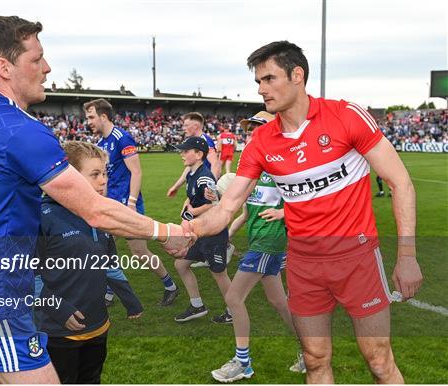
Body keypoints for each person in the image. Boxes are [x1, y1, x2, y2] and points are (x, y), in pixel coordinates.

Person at [0, 16, 192, 384]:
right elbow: (95, 209)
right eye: (36, 59)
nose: (47, 67)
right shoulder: (19, 128)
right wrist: (168, 231)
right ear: (3, 67)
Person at [180, 40, 422, 384]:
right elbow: (228, 206)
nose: (262, 89)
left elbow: (400, 183)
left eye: (269, 79)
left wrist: (408, 255)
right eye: (258, 82)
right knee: (315, 359)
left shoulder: (345, 116)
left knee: (379, 360)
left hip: (357, 259)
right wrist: (186, 233)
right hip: (304, 264)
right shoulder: (262, 142)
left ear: (297, 75)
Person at [35, 141, 143, 384]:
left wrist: (130, 299)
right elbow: (27, 275)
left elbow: (110, 264)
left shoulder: (102, 215)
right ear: (69, 177)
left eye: (105, 173)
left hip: (98, 325)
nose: (103, 180)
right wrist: (58, 309)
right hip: (58, 332)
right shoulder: (42, 218)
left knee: (91, 379)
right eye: (95, 174)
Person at [210, 115, 305, 383]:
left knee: (233, 298)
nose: (251, 133)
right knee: (279, 303)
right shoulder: (254, 165)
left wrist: (284, 212)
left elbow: (307, 195)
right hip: (259, 239)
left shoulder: (282, 163)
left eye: (257, 129)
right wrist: (227, 234)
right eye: (250, 130)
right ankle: (309, 350)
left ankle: (243, 363)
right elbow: (245, 211)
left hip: (269, 241)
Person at [84, 98, 179, 306]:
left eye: (91, 117)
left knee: (139, 252)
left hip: (127, 206)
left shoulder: (122, 138)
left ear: (103, 116)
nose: (88, 121)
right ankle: (108, 293)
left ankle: (170, 286)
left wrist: (132, 203)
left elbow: (136, 171)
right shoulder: (101, 143)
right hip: (111, 207)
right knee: (103, 249)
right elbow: (105, 178)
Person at [173, 137, 232, 324]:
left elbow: (213, 204)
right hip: (200, 233)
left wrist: (191, 213)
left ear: (198, 154)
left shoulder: (205, 177)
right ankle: (197, 305)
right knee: (180, 265)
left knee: (219, 274)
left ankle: (234, 311)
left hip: (213, 234)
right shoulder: (192, 174)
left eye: (185, 150)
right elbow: (191, 198)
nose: (182, 154)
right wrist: (186, 206)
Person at [166, 112, 221, 198]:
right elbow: (189, 168)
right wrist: (176, 186)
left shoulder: (205, 141)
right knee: (187, 210)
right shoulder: (194, 141)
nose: (183, 128)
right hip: (197, 185)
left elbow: (216, 164)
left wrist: (211, 187)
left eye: (186, 125)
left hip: (204, 189)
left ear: (195, 126)